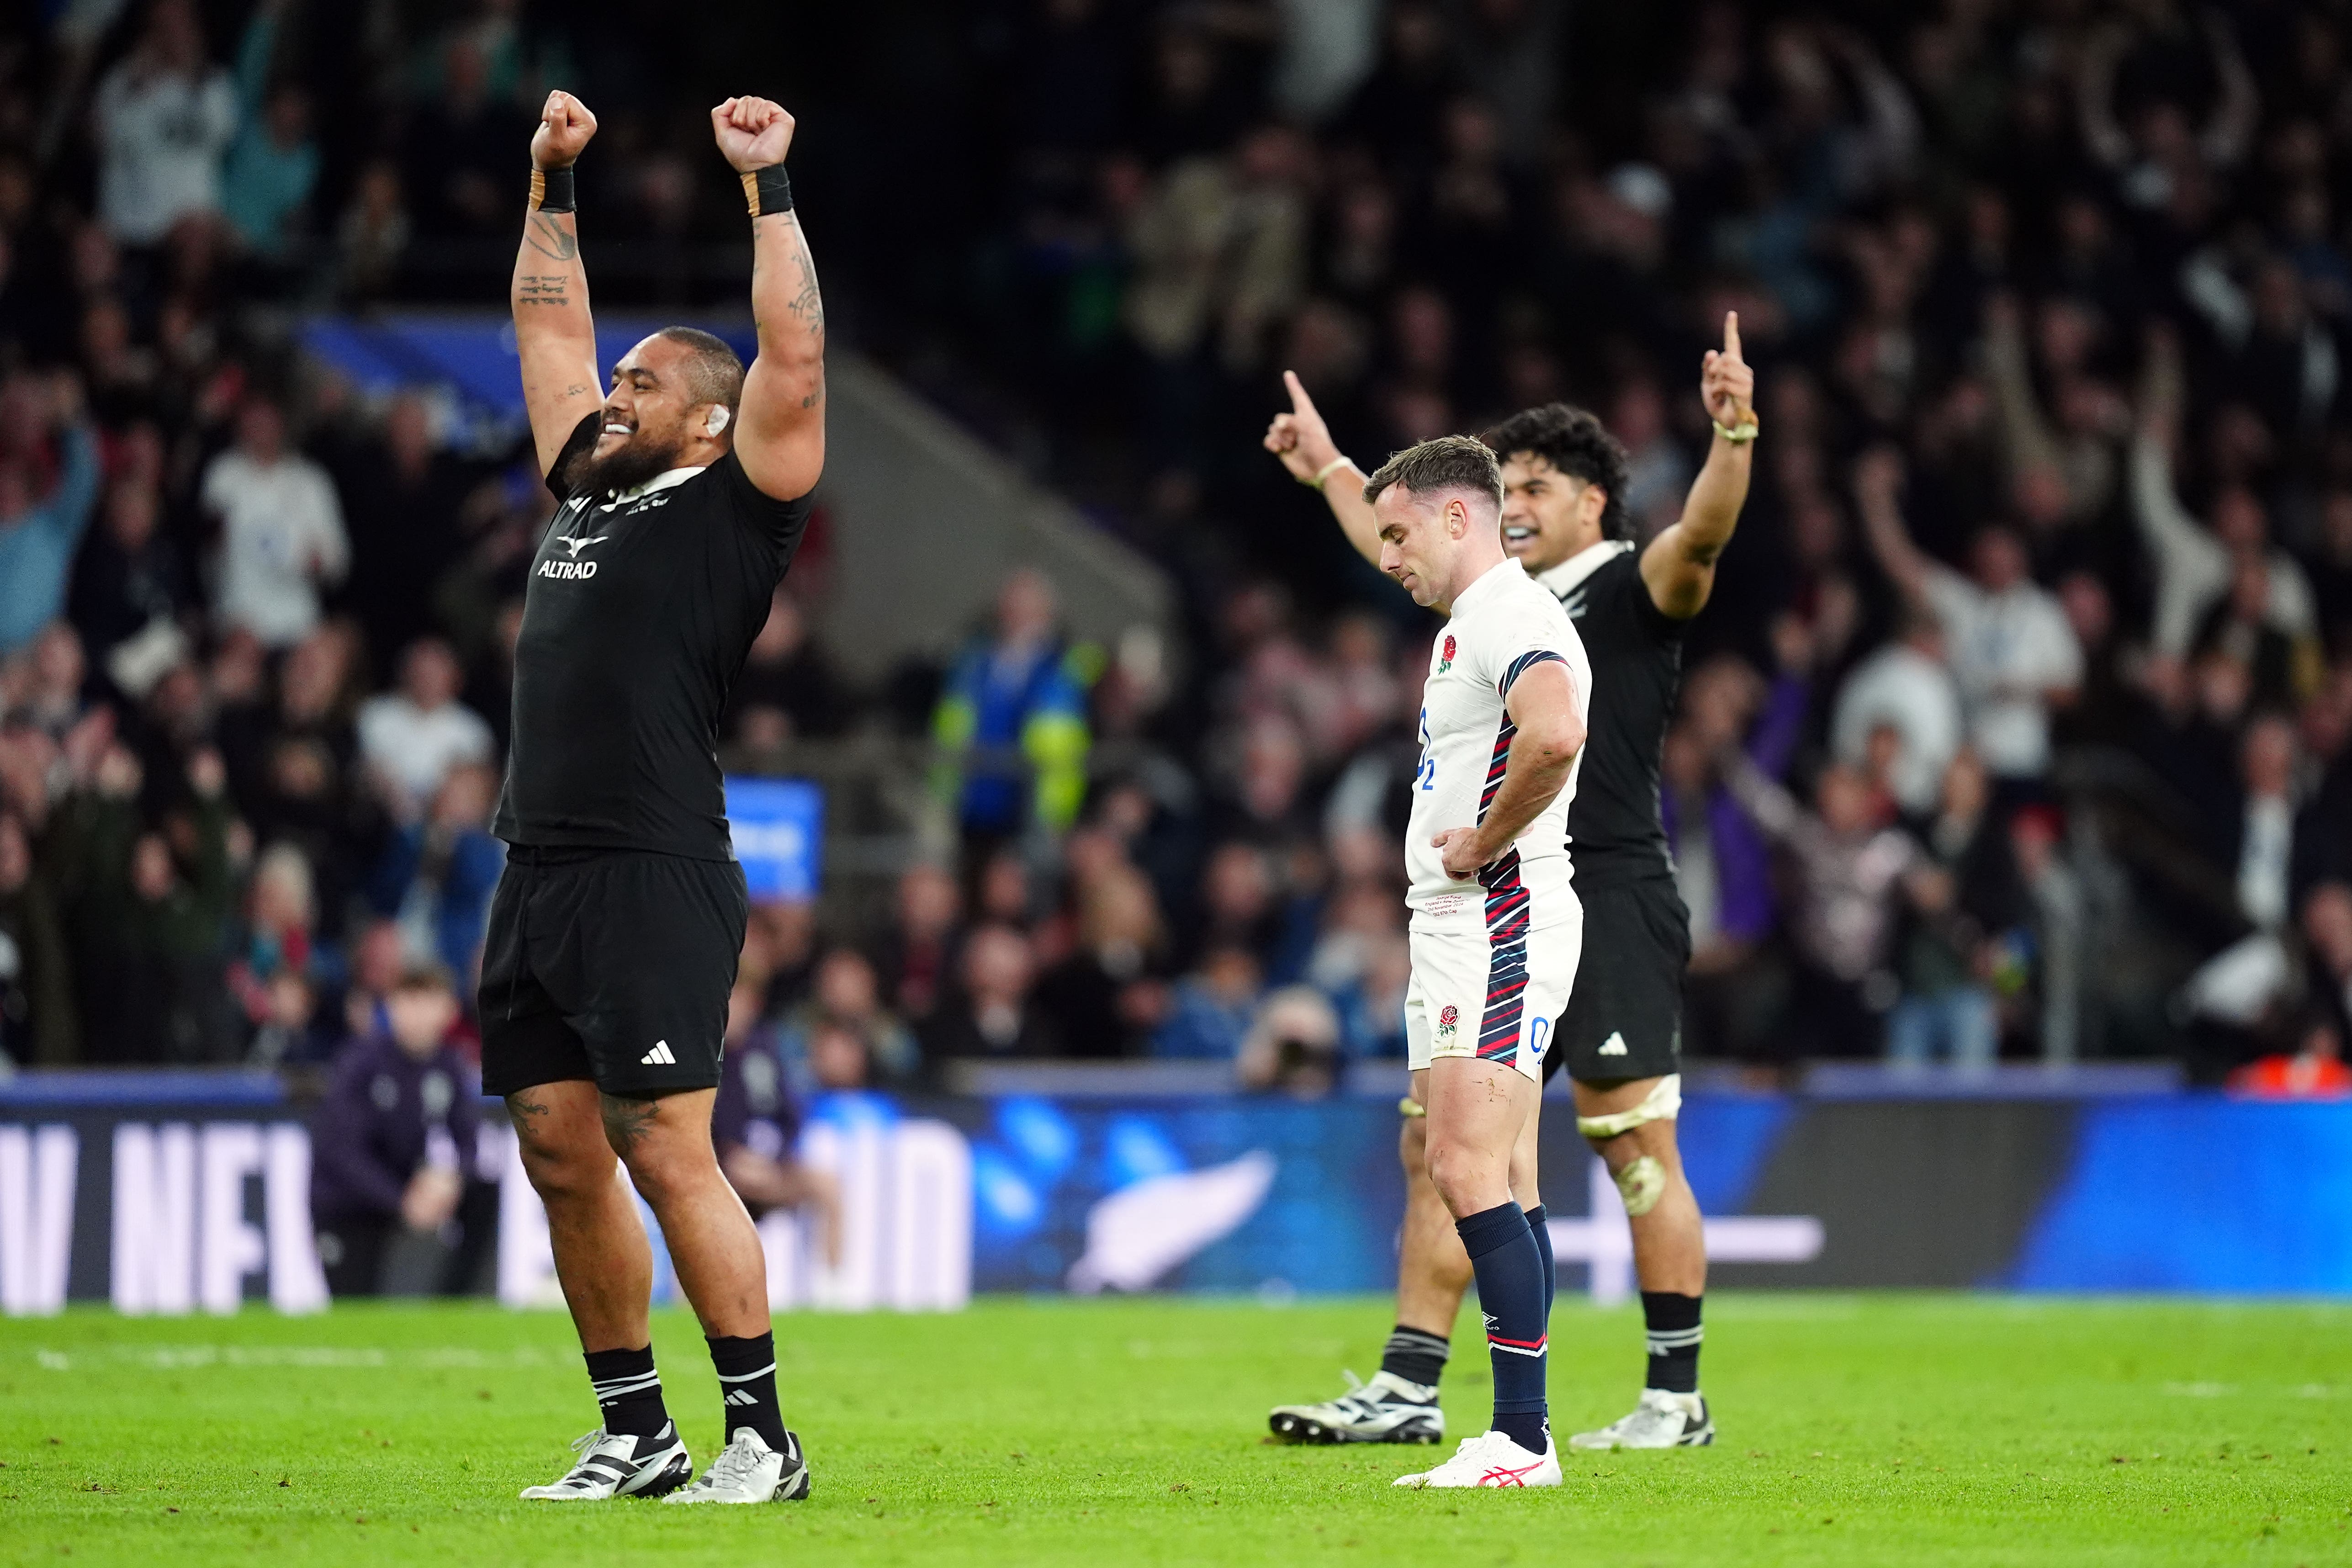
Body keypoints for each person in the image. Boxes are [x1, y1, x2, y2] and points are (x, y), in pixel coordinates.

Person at [1261, 315, 1754, 1455]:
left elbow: (1706, 538)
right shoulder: (1485, 605)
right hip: (1500, 898)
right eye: (1506, 480)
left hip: (1598, 884)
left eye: (1537, 480)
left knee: (1629, 1145)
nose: (1516, 497)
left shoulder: (1630, 585)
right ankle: (1412, 1383)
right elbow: (1402, 539)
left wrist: (1732, 435)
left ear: (1594, 501)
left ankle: (1671, 1395)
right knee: (1450, 1142)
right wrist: (1331, 466)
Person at [479, 90, 824, 1506]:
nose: (605, 393)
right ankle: (638, 1434)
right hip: (540, 859)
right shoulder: (584, 486)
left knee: (667, 1145)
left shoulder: (742, 499)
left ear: (704, 419)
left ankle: (763, 1437)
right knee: (563, 1148)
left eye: (637, 385)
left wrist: (770, 186)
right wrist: (553, 179)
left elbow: (794, 353)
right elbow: (546, 330)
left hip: (655, 859)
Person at [1266, 432, 1590, 1489]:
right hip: (1459, 922)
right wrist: (1327, 468)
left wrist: (1485, 838)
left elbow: (1554, 732)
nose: (1386, 553)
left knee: (1460, 1164)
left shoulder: (1509, 615)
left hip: (1497, 915)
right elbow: (1387, 524)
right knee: (1483, 1170)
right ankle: (1514, 1430)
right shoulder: (1474, 617)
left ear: (1460, 519)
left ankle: (1522, 1441)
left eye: (1400, 531)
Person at [308, 963, 481, 1297]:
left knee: (484, 1193)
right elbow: (342, 1152)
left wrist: (451, 1178)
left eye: (428, 1000)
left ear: (449, 1010)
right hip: (348, 1203)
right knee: (356, 1310)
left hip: (402, 1189)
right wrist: (401, 1200)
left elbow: (469, 1139)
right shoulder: (361, 1064)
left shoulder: (448, 1066)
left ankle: (457, 1303)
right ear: (391, 1006)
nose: (417, 1013)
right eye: (408, 1000)